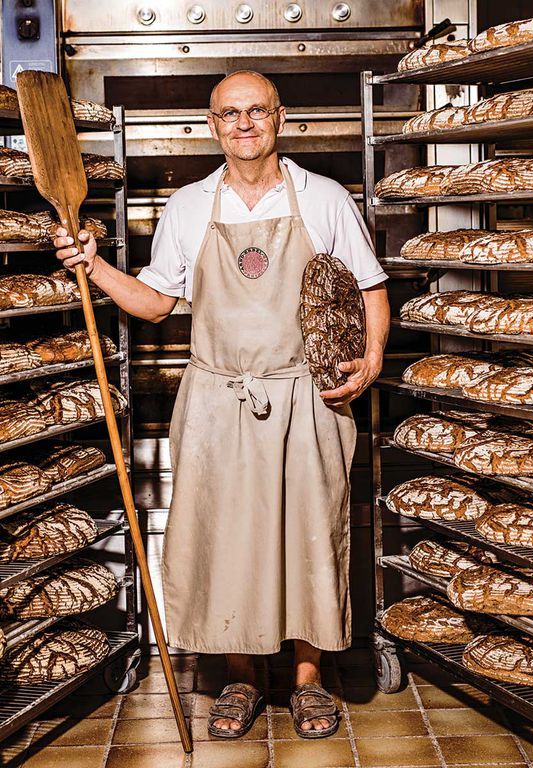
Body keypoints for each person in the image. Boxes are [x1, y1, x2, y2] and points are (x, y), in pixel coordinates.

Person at [54, 70, 390, 739]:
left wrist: (374, 357)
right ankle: (240, 676)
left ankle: (307, 677)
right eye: (228, 113)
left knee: (310, 537)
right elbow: (154, 302)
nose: (243, 124)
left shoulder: (322, 199)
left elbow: (370, 291)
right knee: (229, 540)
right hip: (217, 398)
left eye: (256, 111)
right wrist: (92, 265)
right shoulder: (189, 206)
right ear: (212, 125)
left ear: (280, 118)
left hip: (306, 395)